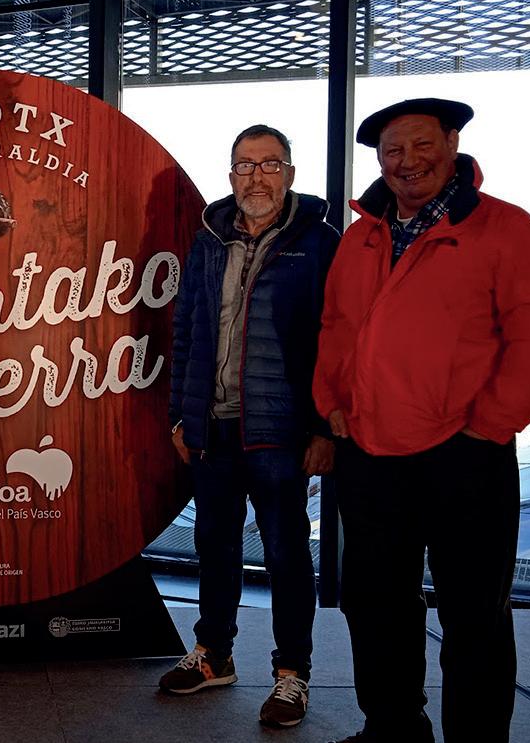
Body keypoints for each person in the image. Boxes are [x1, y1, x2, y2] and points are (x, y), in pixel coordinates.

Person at [314, 98, 530, 742]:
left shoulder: (506, 229)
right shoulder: (360, 237)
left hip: (465, 455)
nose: (408, 161)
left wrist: (488, 426)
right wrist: (332, 404)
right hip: (369, 452)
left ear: (453, 144)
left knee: (474, 615)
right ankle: (393, 730)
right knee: (374, 605)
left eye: (422, 145)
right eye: (393, 151)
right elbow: (336, 328)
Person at [161, 124, 341, 728]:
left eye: (269, 164)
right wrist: (181, 415)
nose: (256, 176)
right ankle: (214, 654)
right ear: (231, 174)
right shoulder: (210, 239)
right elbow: (186, 328)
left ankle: (292, 673)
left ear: (289, 173)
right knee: (214, 545)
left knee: (287, 554)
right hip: (212, 427)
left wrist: (324, 430)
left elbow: (336, 340)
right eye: (245, 165)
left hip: (281, 433)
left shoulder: (319, 242)